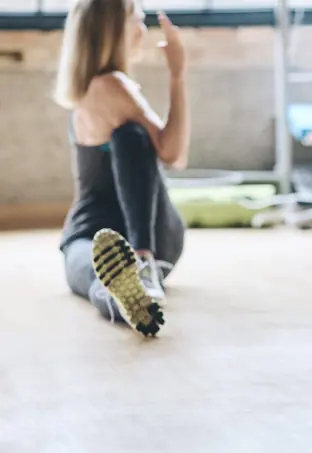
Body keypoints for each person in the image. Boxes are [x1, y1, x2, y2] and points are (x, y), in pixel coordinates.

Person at [53, 0, 190, 337]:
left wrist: (177, 73)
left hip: (96, 233)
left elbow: (173, 155)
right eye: (138, 21)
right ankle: (133, 297)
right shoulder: (111, 85)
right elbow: (175, 154)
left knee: (91, 270)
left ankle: (134, 271)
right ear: (115, 30)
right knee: (104, 274)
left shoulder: (96, 89)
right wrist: (177, 73)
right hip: (160, 242)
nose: (142, 31)